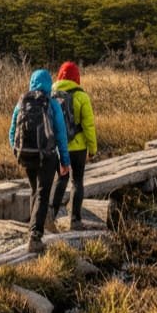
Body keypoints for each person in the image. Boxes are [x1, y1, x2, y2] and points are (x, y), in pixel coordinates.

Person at [8, 68, 71, 253]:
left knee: (34, 190)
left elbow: (12, 132)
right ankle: (35, 237)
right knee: (43, 193)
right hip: (47, 156)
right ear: (48, 84)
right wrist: (64, 160)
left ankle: (32, 228)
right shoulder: (51, 104)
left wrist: (17, 150)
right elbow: (60, 135)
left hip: (26, 155)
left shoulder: (21, 102)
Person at [49, 61, 97, 231]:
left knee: (61, 179)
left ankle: (50, 216)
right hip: (78, 148)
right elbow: (88, 126)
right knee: (77, 182)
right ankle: (75, 221)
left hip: (58, 147)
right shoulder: (81, 96)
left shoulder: (51, 94)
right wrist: (93, 149)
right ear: (77, 77)